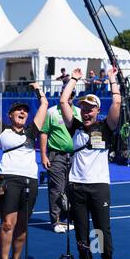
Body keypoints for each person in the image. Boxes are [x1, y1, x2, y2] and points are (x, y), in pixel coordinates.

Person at [59, 67, 121, 259]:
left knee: (101, 231)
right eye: (83, 109)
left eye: (90, 109)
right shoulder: (75, 127)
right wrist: (74, 79)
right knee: (81, 233)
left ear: (97, 110)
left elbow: (117, 102)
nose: (86, 112)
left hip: (99, 186)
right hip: (76, 186)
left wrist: (112, 79)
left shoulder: (106, 128)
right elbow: (63, 102)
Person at [0, 79, 48, 259]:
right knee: (7, 224)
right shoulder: (2, 130)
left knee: (22, 226)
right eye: (18, 110)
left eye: (25, 111)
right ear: (10, 115)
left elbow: (44, 104)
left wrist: (38, 89)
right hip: (9, 180)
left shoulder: (31, 132)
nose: (23, 112)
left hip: (30, 181)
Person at [40, 84, 80, 233]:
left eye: (71, 95)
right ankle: (56, 221)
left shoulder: (79, 112)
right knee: (57, 188)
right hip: (56, 155)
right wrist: (43, 155)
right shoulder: (51, 112)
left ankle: (67, 218)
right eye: (66, 94)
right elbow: (43, 133)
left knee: (72, 189)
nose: (69, 97)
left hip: (76, 158)